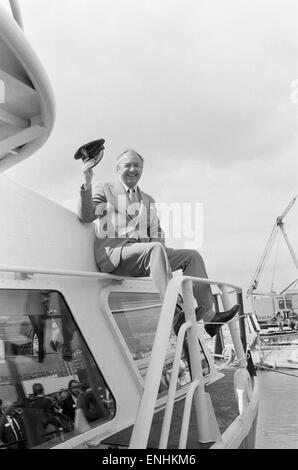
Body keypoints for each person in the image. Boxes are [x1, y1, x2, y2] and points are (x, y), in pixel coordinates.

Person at [77, 148, 239, 338]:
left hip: (148, 255)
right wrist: (87, 181)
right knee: (154, 249)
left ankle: (210, 318)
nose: (132, 169)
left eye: (136, 165)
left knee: (191, 256)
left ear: (142, 170)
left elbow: (156, 231)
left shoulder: (147, 199)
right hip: (117, 254)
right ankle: (176, 314)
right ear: (117, 168)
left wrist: (161, 248)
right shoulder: (104, 189)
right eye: (127, 165)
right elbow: (86, 216)